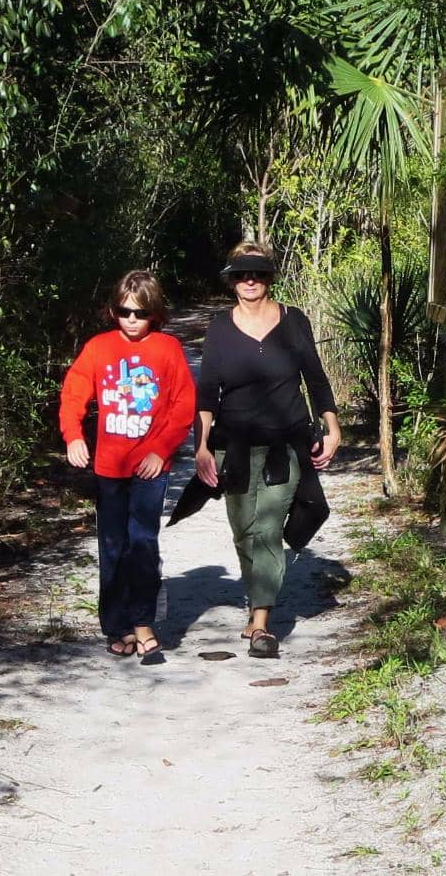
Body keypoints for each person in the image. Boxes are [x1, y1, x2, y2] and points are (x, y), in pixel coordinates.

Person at [194, 241, 340, 657]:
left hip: (285, 443)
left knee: (269, 530)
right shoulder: (220, 327)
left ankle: (261, 622)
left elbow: (315, 377)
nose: (250, 280)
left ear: (269, 277)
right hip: (234, 446)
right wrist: (201, 446)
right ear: (232, 281)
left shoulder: (294, 321)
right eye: (242, 273)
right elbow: (207, 392)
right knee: (244, 532)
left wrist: (332, 426)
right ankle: (256, 601)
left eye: (257, 272)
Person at [59, 270, 196, 661]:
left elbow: (182, 406)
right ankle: (118, 626)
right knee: (113, 547)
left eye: (141, 313)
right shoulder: (99, 348)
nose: (132, 320)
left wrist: (161, 450)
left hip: (150, 469)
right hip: (109, 467)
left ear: (154, 313)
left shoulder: (167, 349)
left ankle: (144, 624)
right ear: (112, 311)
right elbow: (73, 394)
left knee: (144, 544)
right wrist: (73, 436)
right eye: (125, 312)